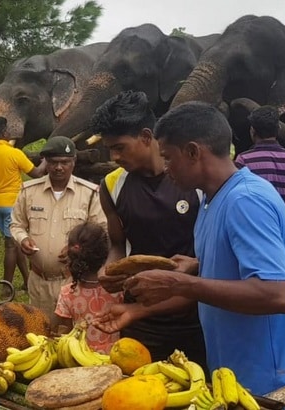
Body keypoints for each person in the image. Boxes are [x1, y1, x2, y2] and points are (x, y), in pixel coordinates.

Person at [121, 101, 285, 408]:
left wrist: (179, 284)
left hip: (268, 383)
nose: (166, 168)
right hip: (234, 375)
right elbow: (240, 265)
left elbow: (277, 294)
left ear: (193, 152)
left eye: (168, 158)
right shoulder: (212, 199)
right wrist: (198, 266)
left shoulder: (246, 201)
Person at [89, 91, 206, 367]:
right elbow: (118, 244)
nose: (114, 156)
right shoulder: (111, 185)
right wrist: (109, 268)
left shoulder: (193, 181)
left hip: (194, 315)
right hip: (137, 316)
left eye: (120, 147)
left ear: (145, 136)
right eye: (110, 149)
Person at [10, 136, 106, 320]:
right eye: (53, 162)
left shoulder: (89, 193)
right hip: (39, 282)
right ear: (45, 162)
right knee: (41, 331)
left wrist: (78, 249)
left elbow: (101, 232)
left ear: (74, 162)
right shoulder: (28, 191)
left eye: (65, 162)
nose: (59, 167)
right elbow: (16, 224)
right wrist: (23, 239)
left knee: (74, 332)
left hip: (75, 281)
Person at [0, 117, 46, 296]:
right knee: (11, 246)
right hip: (12, 204)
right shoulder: (14, 153)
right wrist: (46, 160)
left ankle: (27, 281)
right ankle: (6, 288)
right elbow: (37, 173)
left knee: (14, 241)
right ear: (4, 132)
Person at [235, 105, 285, 264]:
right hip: (282, 232)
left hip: (252, 234)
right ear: (278, 129)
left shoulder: (243, 161)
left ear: (252, 131)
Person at [54, 222, 122, 354]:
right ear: (106, 253)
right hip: (118, 354)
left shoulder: (67, 293)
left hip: (81, 357)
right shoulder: (118, 288)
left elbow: (67, 333)